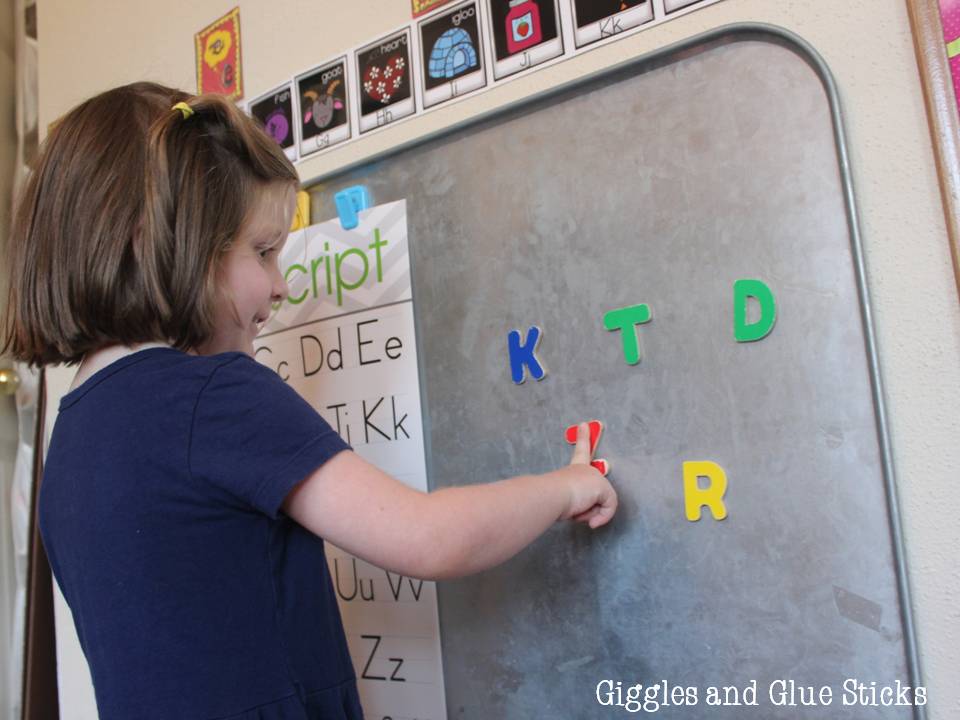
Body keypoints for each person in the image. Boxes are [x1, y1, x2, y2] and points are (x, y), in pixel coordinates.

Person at [1, 82, 618, 719]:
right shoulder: (214, 397)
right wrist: (566, 487)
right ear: (149, 243)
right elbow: (430, 537)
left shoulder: (72, 433)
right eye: (262, 252)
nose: (279, 285)